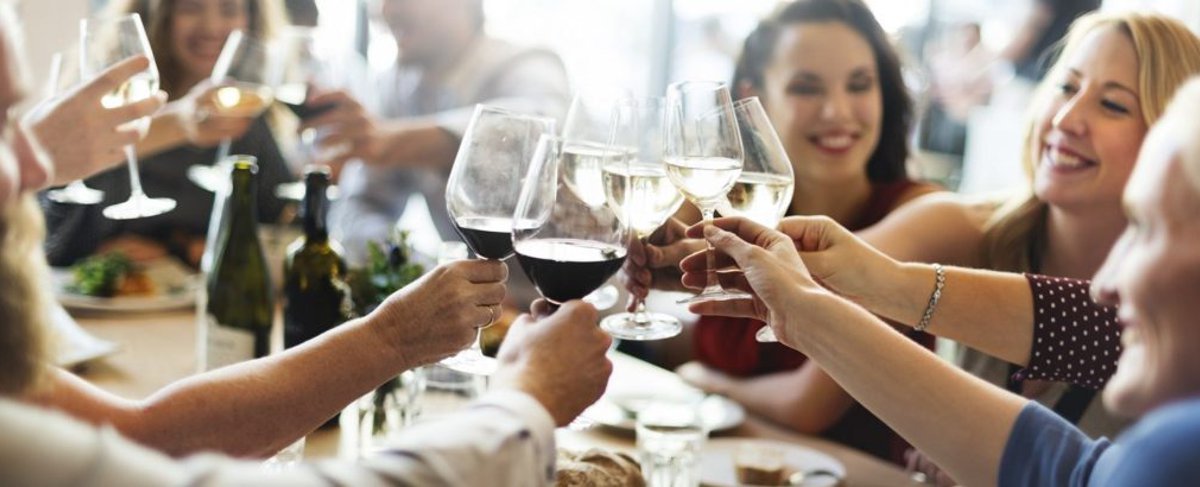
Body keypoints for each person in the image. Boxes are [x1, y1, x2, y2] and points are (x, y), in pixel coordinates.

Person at [0, 9, 612, 483]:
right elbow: (153, 442)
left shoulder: (523, 61)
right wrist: (520, 402)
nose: (34, 162)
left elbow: (538, 119)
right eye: (6, 125)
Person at [678, 72, 1200, 486]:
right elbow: (1069, 468)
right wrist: (867, 286)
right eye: (1065, 85)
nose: (1106, 286)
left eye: (1148, 227)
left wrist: (818, 308)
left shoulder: (1176, 450)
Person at [844, 15, 1200, 474]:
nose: (1068, 119)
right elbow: (825, 268)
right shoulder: (972, 227)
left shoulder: (1163, 332)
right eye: (1066, 88)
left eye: (1112, 105)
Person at [623, 0, 939, 464]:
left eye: (859, 85)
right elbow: (712, 335)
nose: (838, 111)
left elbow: (805, 405)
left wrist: (704, 382)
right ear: (756, 98)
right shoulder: (720, 201)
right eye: (806, 88)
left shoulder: (915, 214)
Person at [303, 0, 570, 263]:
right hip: (477, 300)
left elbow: (541, 127)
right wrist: (421, 270)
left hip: (566, 298)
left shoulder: (527, 63)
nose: (386, 10)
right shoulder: (394, 87)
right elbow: (357, 210)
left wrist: (391, 142)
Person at [42, 0, 295, 268]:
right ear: (157, 16)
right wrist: (179, 122)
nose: (211, 26)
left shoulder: (248, 119)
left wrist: (178, 248)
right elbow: (54, 242)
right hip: (98, 302)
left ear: (251, 19)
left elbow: (280, 226)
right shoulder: (107, 95)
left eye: (229, 9)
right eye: (190, 8)